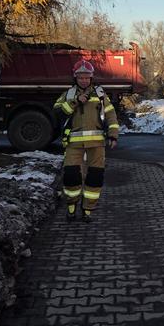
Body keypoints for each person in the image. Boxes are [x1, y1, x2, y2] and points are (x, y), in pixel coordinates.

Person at [54, 59, 119, 222]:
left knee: (95, 177)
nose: (84, 80)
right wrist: (76, 102)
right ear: (75, 78)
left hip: (97, 144)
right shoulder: (68, 94)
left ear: (91, 78)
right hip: (73, 144)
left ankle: (88, 210)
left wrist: (113, 135)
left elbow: (111, 115)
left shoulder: (100, 94)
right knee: (71, 176)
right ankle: (71, 207)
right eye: (80, 77)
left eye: (86, 77)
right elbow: (58, 112)